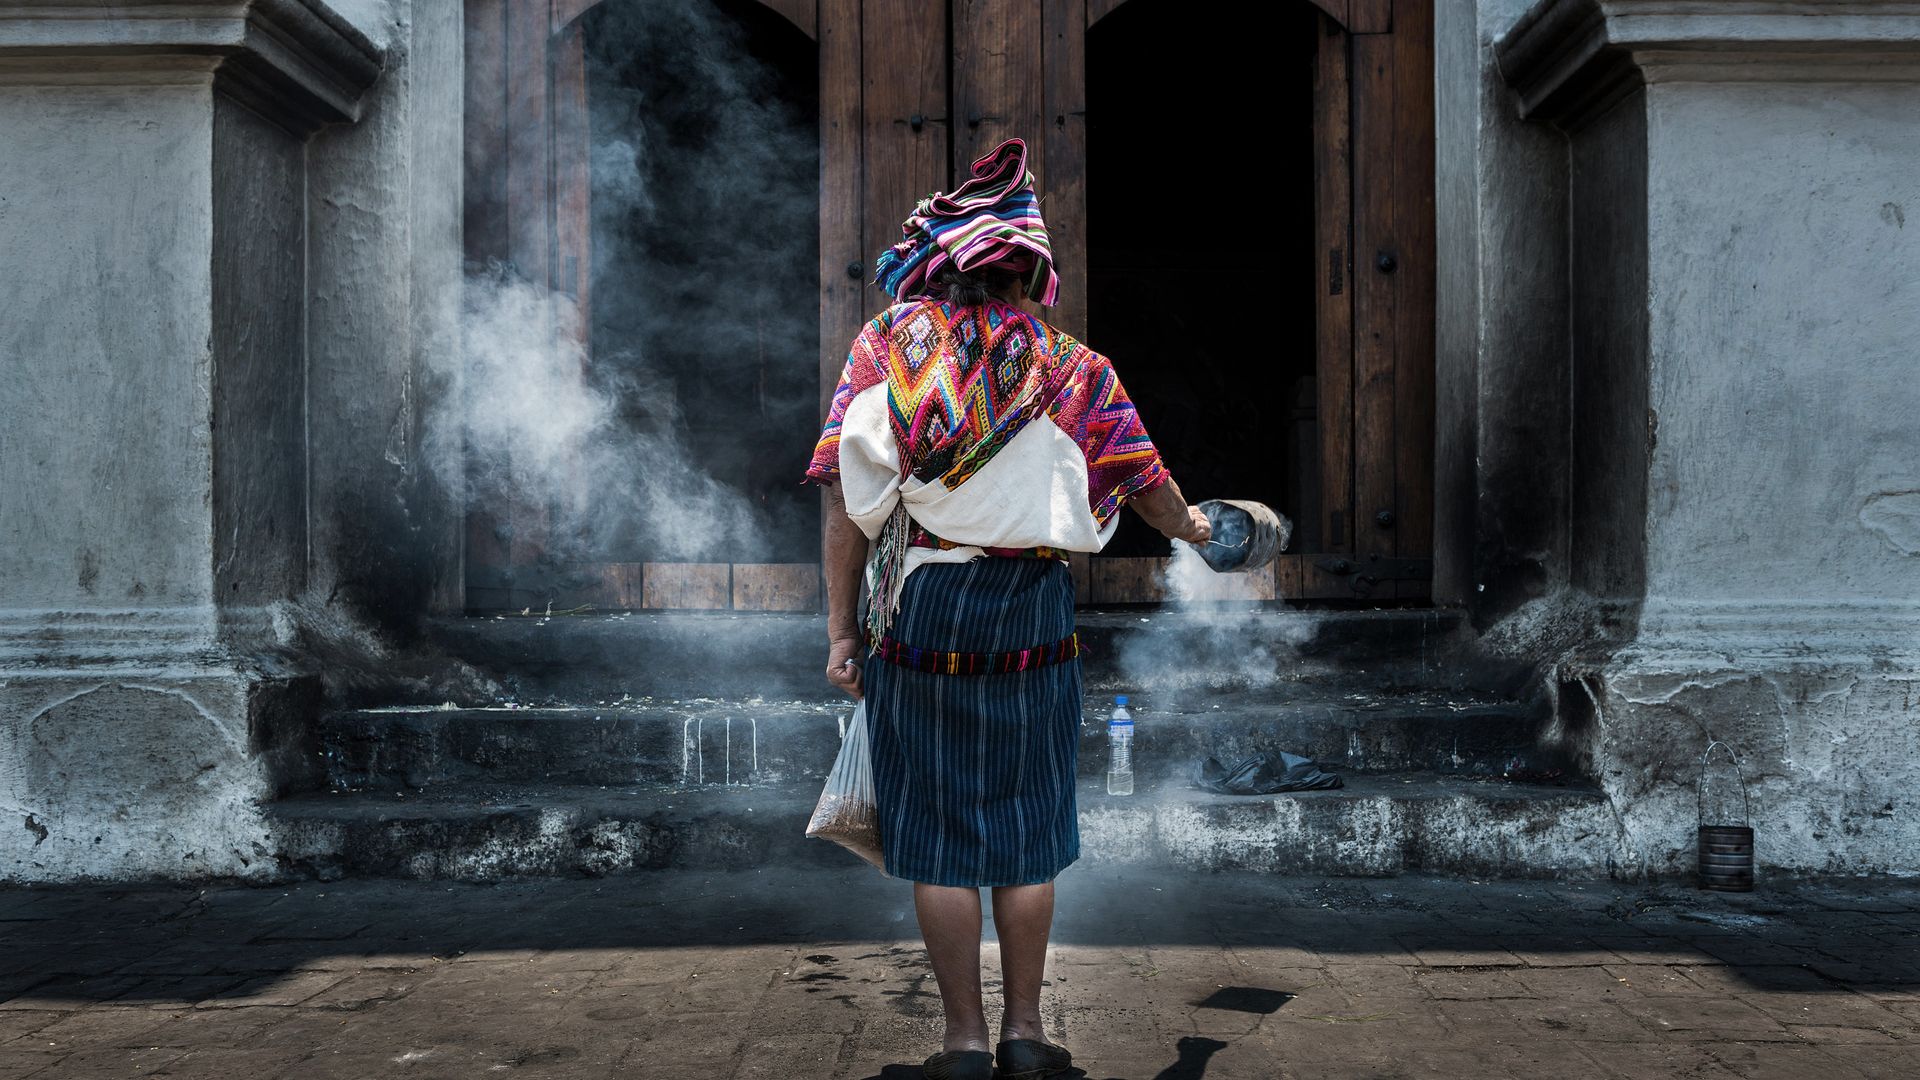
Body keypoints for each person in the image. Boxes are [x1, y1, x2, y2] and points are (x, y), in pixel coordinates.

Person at [804, 136, 1209, 1080]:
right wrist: (1195, 527)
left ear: (941, 262)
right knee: (1026, 828)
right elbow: (1146, 483)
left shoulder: (886, 350)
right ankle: (1026, 1033)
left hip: (924, 607)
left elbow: (841, 494)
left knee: (941, 840)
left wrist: (837, 631)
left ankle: (962, 1044)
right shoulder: (1076, 369)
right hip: (1030, 607)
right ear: (1031, 266)